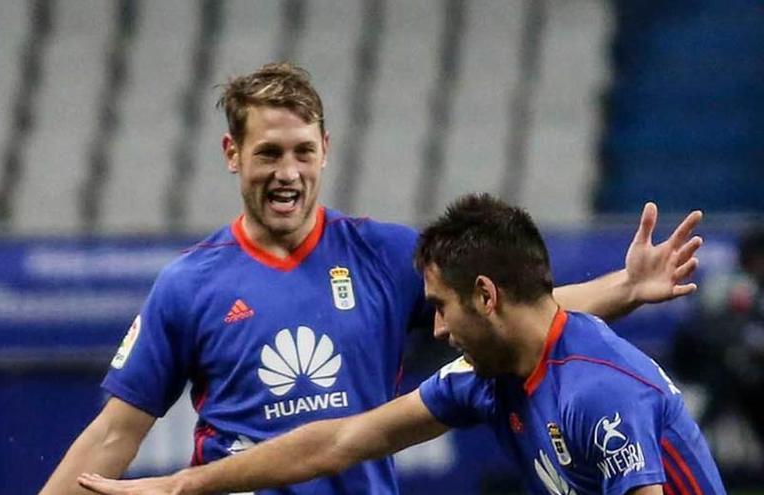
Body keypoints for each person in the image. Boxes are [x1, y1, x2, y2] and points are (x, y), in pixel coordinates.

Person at [41, 63, 703, 495]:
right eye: (268, 152)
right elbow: (113, 433)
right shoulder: (187, 284)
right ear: (232, 154)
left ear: (325, 149)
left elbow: (516, 312)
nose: (288, 171)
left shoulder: (382, 252)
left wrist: (624, 286)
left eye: (303, 151)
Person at [77, 194, 723, 495]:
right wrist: (183, 486)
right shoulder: (488, 374)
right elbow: (342, 439)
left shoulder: (599, 390)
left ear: (488, 297)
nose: (436, 330)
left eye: (441, 308)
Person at [674, 226, 764, 471]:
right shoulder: (729, 283)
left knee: (763, 388)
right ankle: (695, 446)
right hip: (728, 366)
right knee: (726, 380)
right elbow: (706, 328)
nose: (758, 263)